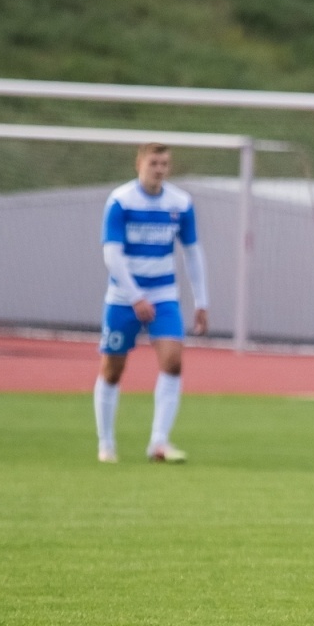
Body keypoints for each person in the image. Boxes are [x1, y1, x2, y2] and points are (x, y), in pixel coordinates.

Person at [95, 143, 208, 463]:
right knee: (112, 369)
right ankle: (106, 444)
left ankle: (158, 442)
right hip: (123, 297)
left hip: (163, 296)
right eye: (153, 162)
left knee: (173, 361)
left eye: (165, 163)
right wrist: (135, 297)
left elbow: (192, 253)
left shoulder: (180, 203)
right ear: (139, 164)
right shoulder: (120, 201)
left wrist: (201, 300)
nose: (159, 168)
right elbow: (112, 255)